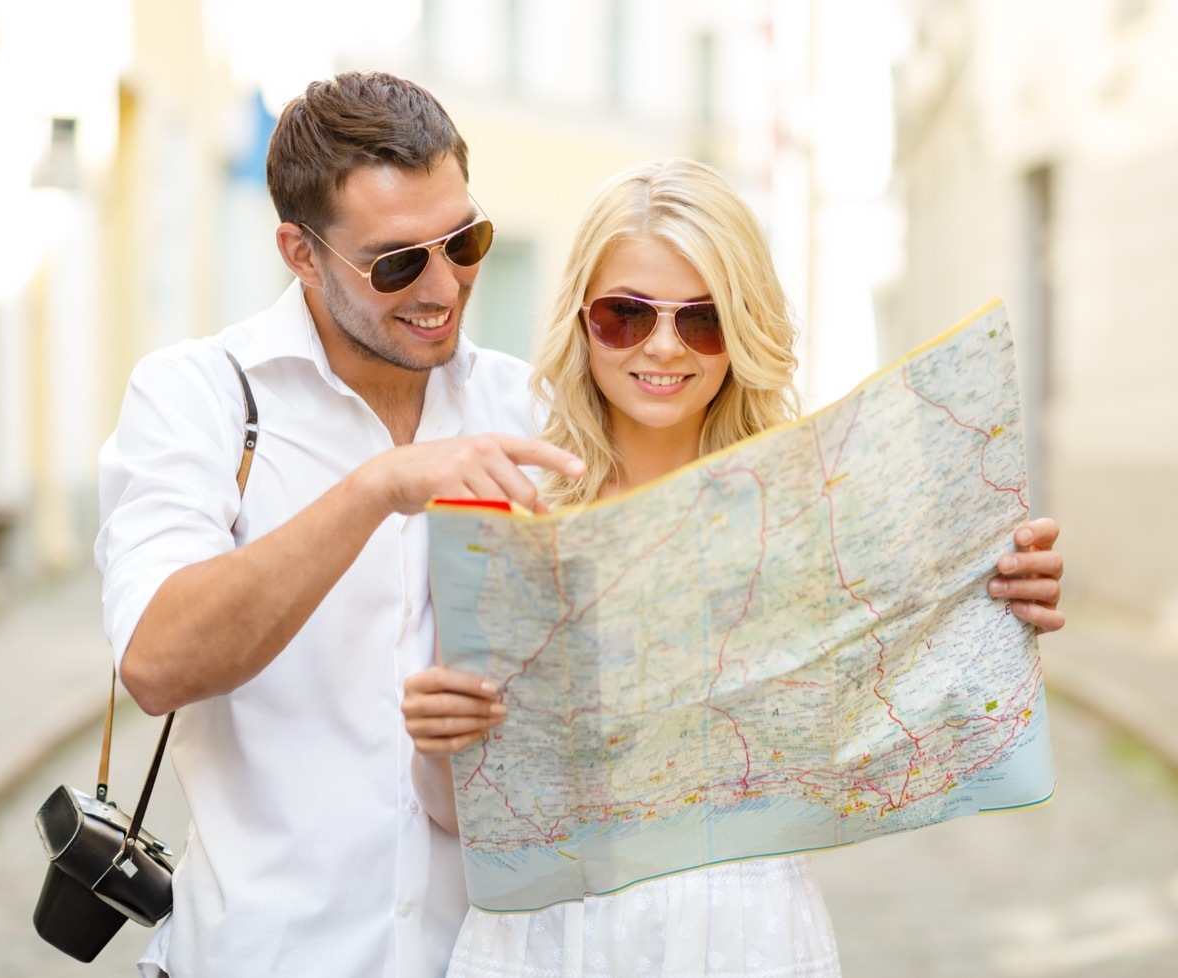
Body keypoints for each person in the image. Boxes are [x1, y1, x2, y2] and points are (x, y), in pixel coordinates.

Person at [402, 157, 1066, 977]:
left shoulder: (811, 519)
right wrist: (437, 745)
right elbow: (458, 816)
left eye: (703, 318)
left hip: (744, 938)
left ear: (743, 327)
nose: (663, 347)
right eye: (625, 315)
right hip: (549, 943)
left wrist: (995, 600)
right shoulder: (511, 521)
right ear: (581, 320)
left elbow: (893, 729)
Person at [94, 71, 584, 978]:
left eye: (465, 240)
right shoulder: (197, 397)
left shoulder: (527, 406)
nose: (445, 285)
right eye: (398, 261)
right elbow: (158, 665)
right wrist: (376, 489)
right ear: (300, 251)